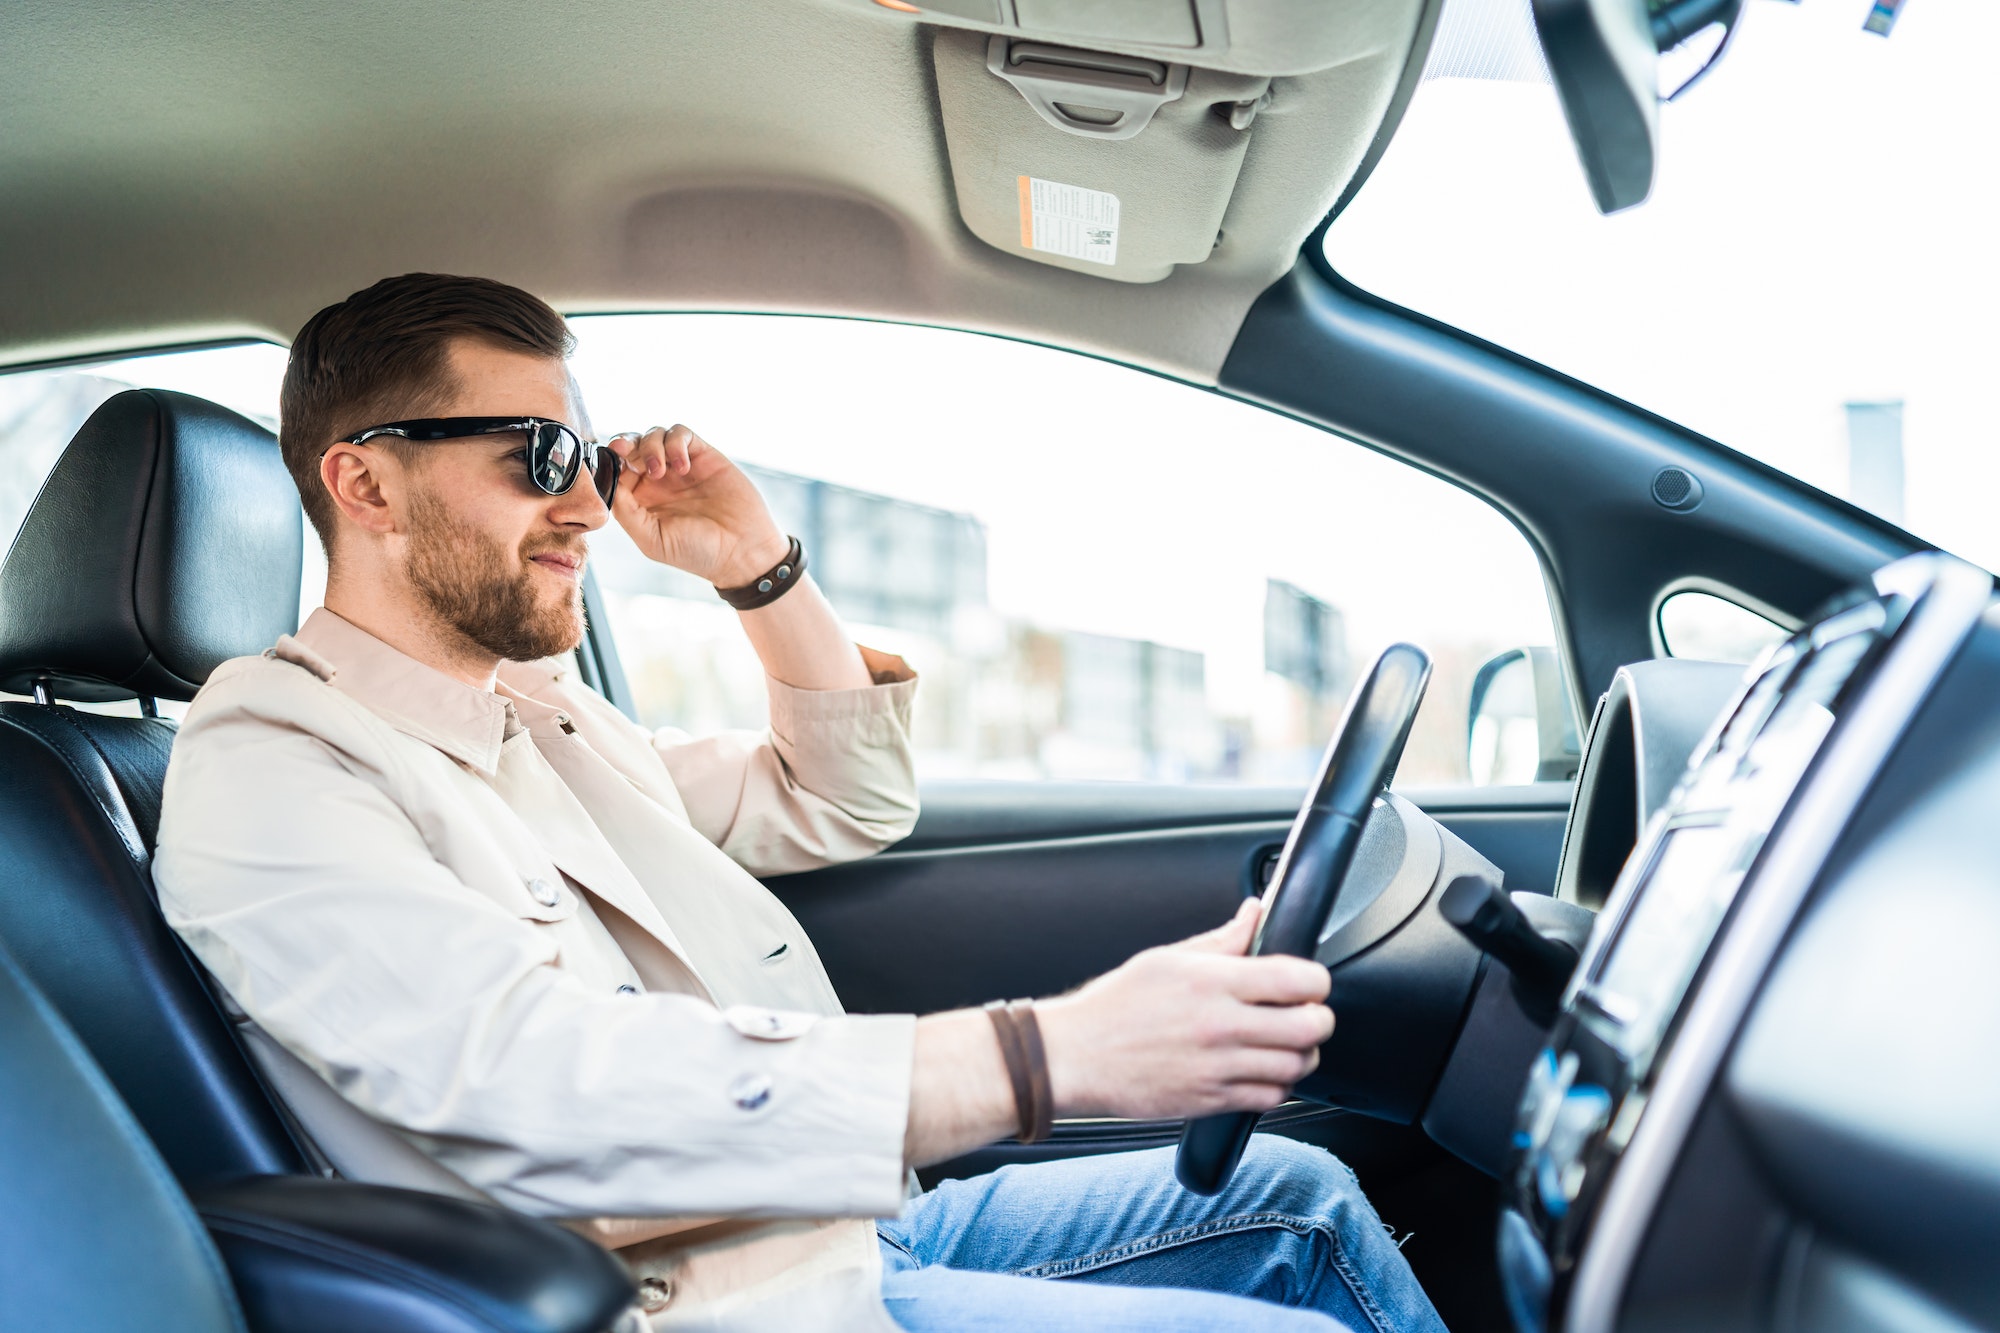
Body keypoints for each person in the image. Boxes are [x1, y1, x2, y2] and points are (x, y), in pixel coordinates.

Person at [154, 273, 1445, 1333]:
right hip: (698, 1300)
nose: (590, 506)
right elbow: (542, 1089)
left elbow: (844, 796)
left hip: (833, 1224)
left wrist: (757, 568)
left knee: (1303, 1196)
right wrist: (1042, 1056)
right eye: (540, 455)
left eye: (589, 455)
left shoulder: (533, 711)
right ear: (364, 483)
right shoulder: (271, 768)